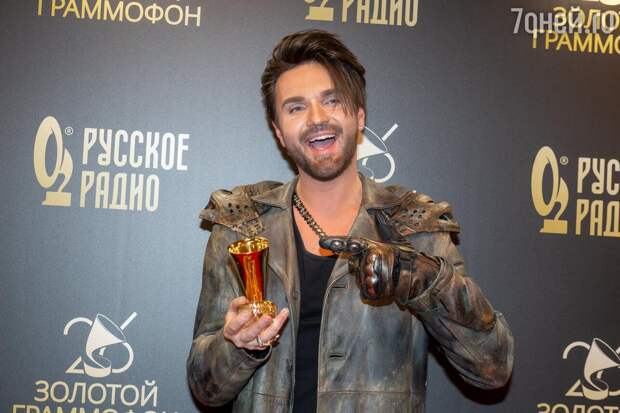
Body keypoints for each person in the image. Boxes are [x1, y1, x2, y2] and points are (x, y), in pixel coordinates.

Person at [187, 29, 514, 413]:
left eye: (332, 101)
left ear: (359, 116)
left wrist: (423, 280)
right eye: (296, 108)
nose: (317, 119)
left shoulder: (416, 229)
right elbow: (205, 388)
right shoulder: (242, 226)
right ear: (279, 132)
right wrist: (237, 346)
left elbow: (492, 368)